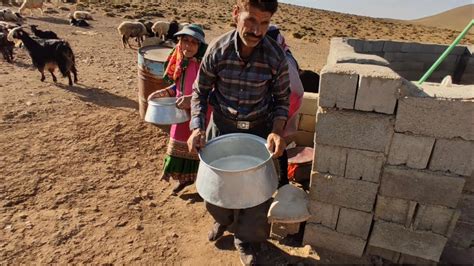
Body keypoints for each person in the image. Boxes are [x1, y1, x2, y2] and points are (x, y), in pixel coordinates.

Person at [187, 1, 290, 264]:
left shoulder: (275, 56)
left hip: (258, 130)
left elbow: (282, 101)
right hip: (222, 128)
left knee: (256, 195)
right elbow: (200, 92)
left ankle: (245, 240)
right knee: (216, 189)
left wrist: (277, 131)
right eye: (252, 20)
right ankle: (224, 221)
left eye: (265, 22)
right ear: (236, 14)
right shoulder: (217, 50)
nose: (258, 30)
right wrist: (197, 127)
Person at [148, 24, 208, 195]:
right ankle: (185, 179)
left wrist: (192, 99)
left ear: (200, 46)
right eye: (184, 41)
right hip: (180, 113)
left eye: (193, 42)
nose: (188, 46)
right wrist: (164, 92)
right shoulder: (181, 62)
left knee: (199, 149)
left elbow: (213, 90)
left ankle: (203, 183)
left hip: (200, 114)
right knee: (177, 146)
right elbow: (178, 86)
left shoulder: (204, 65)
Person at [266, 24, 304, 187]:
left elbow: (294, 90)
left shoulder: (284, 59)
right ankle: (281, 179)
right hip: (281, 106)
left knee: (276, 141)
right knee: (277, 142)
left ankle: (281, 180)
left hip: (281, 106)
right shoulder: (283, 53)